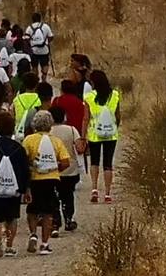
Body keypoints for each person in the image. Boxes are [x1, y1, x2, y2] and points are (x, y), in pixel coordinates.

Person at [21, 111, 71, 255]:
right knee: (48, 211)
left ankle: (33, 234)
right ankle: (44, 243)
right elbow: (66, 161)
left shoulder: (29, 140)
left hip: (34, 179)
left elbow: (24, 160)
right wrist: (55, 169)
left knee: (32, 209)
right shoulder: (56, 141)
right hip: (51, 179)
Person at [0, 111, 30, 257]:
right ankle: (9, 245)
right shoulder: (18, 148)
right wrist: (26, 189)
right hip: (14, 189)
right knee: (12, 217)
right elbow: (25, 169)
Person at [84, 70, 122, 204]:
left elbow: (86, 119)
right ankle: (107, 193)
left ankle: (94, 189)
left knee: (94, 161)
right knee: (108, 163)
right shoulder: (115, 95)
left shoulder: (89, 97)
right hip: (111, 134)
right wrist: (114, 127)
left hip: (95, 133)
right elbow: (118, 116)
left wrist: (83, 136)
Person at [49, 105, 83, 232]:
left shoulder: (48, 132)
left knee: (54, 195)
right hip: (70, 169)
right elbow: (79, 148)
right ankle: (69, 218)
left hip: (53, 169)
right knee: (68, 194)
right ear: (64, 117)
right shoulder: (72, 130)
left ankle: (55, 221)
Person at [12, 71, 42, 138]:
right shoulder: (38, 100)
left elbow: (13, 115)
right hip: (34, 132)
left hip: (19, 131)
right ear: (36, 85)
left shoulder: (17, 99)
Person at [26, 12, 55, 81]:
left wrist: (31, 44)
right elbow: (51, 36)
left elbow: (26, 38)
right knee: (45, 64)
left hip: (34, 51)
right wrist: (47, 42)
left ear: (32, 19)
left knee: (34, 66)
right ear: (40, 19)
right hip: (44, 50)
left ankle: (36, 79)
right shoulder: (46, 26)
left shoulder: (30, 27)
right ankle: (44, 77)